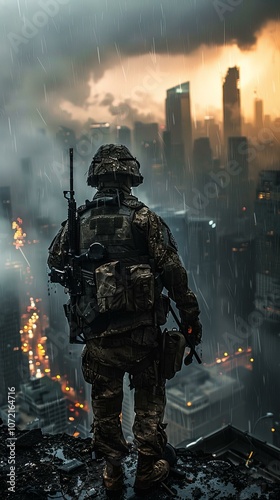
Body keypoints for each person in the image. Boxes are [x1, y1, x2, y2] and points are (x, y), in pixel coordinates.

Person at [47, 144, 202, 493]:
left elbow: (54, 261)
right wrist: (191, 320)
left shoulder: (79, 221)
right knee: (148, 402)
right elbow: (175, 275)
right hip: (142, 335)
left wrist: (82, 266)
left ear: (95, 179)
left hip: (99, 337)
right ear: (130, 177)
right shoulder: (144, 219)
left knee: (105, 407)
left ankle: (112, 472)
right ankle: (147, 467)